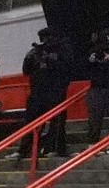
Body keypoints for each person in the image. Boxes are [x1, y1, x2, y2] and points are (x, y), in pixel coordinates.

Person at [19, 28, 71, 159]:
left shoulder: (63, 49)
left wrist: (51, 58)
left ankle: (56, 148)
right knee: (31, 121)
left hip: (56, 90)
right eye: (42, 37)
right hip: (37, 91)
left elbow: (67, 67)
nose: (44, 40)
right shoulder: (35, 51)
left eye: (46, 37)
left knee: (57, 121)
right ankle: (24, 149)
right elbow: (26, 71)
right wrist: (30, 58)